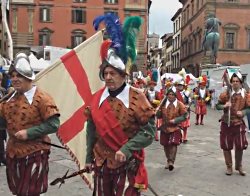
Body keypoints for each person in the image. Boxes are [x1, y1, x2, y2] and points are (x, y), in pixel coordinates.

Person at [85, 14, 156, 195]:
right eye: (105, 73)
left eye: (113, 73)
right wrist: (87, 157)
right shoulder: (97, 98)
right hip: (101, 161)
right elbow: (91, 130)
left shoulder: (137, 97)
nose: (108, 77)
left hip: (127, 163)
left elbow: (149, 132)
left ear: (123, 75)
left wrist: (127, 148)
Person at [0, 52, 60, 195]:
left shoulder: (42, 98)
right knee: (18, 191)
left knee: (29, 192)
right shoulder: (8, 99)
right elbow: (3, 123)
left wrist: (29, 133)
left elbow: (54, 124)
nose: (15, 79)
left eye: (19, 75)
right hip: (13, 152)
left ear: (28, 77)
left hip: (35, 152)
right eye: (13, 76)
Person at [216, 72, 250, 176]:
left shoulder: (246, 95)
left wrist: (243, 112)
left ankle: (238, 166)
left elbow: (249, 108)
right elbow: (218, 105)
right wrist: (224, 106)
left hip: (238, 123)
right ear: (231, 83)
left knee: (240, 146)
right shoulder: (226, 94)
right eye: (233, 81)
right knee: (226, 145)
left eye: (237, 81)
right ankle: (229, 167)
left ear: (240, 83)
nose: (235, 83)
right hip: (226, 123)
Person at [157, 86, 188, 171]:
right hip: (165, 127)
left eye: (172, 94)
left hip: (175, 128)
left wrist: (175, 120)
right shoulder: (162, 104)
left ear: (175, 96)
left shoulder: (179, 104)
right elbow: (158, 116)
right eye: (169, 94)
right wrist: (158, 111)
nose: (170, 96)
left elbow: (185, 115)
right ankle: (168, 160)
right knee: (165, 144)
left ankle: (171, 162)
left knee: (173, 143)